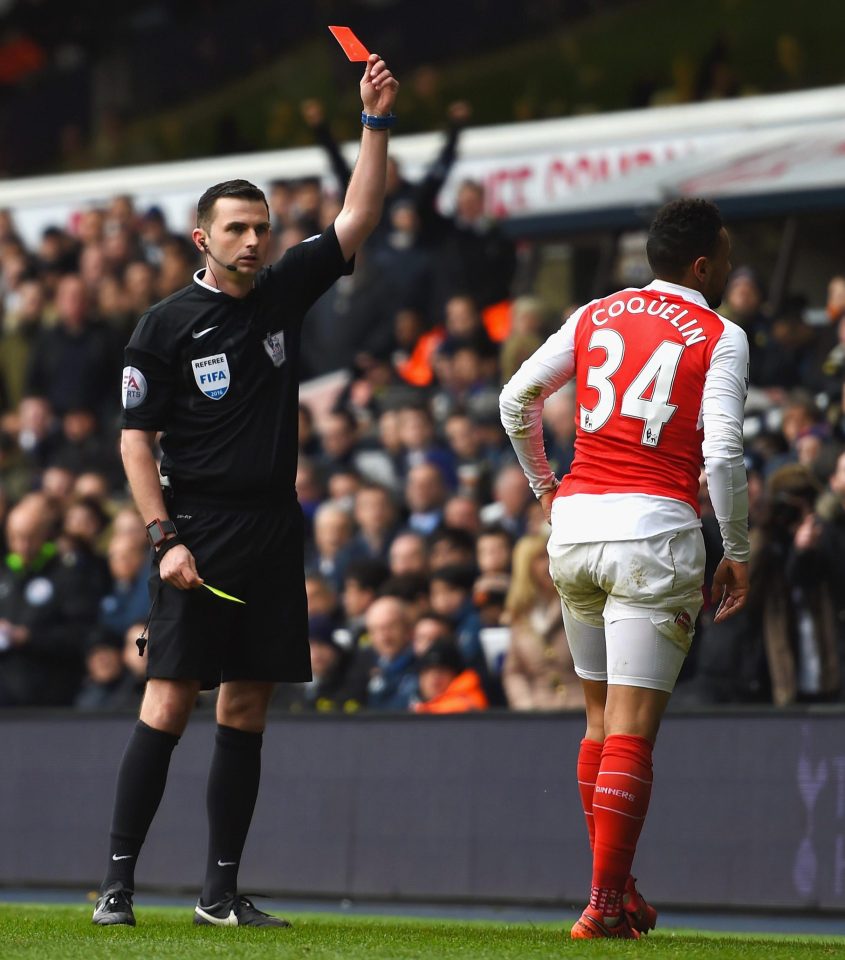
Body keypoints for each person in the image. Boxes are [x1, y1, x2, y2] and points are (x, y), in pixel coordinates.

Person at [92, 53, 399, 929]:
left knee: (248, 702)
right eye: (237, 229)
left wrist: (373, 121)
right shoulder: (162, 325)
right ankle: (117, 883)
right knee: (167, 700)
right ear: (203, 238)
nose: (255, 241)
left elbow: (359, 215)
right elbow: (134, 443)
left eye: (262, 227)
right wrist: (164, 538)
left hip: (273, 528)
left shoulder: (279, 295)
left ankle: (218, 895)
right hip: (198, 527)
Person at [500, 198, 750, 939]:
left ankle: (615, 888)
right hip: (654, 534)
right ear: (702, 265)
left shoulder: (594, 313)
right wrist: (734, 548)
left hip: (574, 532)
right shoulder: (719, 333)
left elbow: (517, 401)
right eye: (727, 256)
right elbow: (724, 454)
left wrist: (546, 487)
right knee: (632, 735)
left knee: (599, 723)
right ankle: (603, 905)